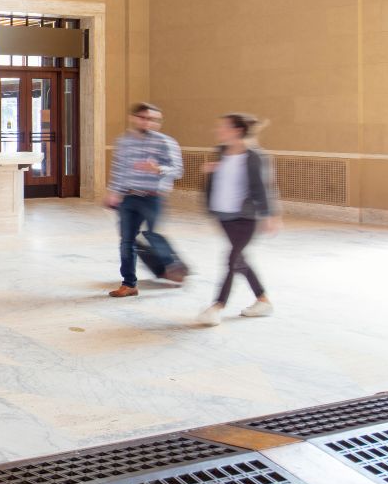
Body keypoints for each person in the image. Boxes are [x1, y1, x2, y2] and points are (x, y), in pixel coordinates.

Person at [197, 113, 278, 325]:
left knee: (232, 259)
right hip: (223, 215)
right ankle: (263, 300)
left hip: (245, 217)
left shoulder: (254, 156)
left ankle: (217, 306)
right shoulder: (221, 152)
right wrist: (211, 171)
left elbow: (263, 187)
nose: (219, 131)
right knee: (239, 259)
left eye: (223, 127)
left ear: (237, 131)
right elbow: (220, 181)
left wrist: (270, 215)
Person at [105, 102, 189, 296]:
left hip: (153, 198)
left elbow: (178, 171)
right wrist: (113, 192)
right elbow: (119, 170)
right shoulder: (124, 142)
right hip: (128, 197)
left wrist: (159, 169)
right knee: (127, 242)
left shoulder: (166, 142)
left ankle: (173, 267)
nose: (148, 123)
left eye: (153, 120)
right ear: (134, 118)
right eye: (144, 118)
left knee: (153, 235)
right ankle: (129, 284)